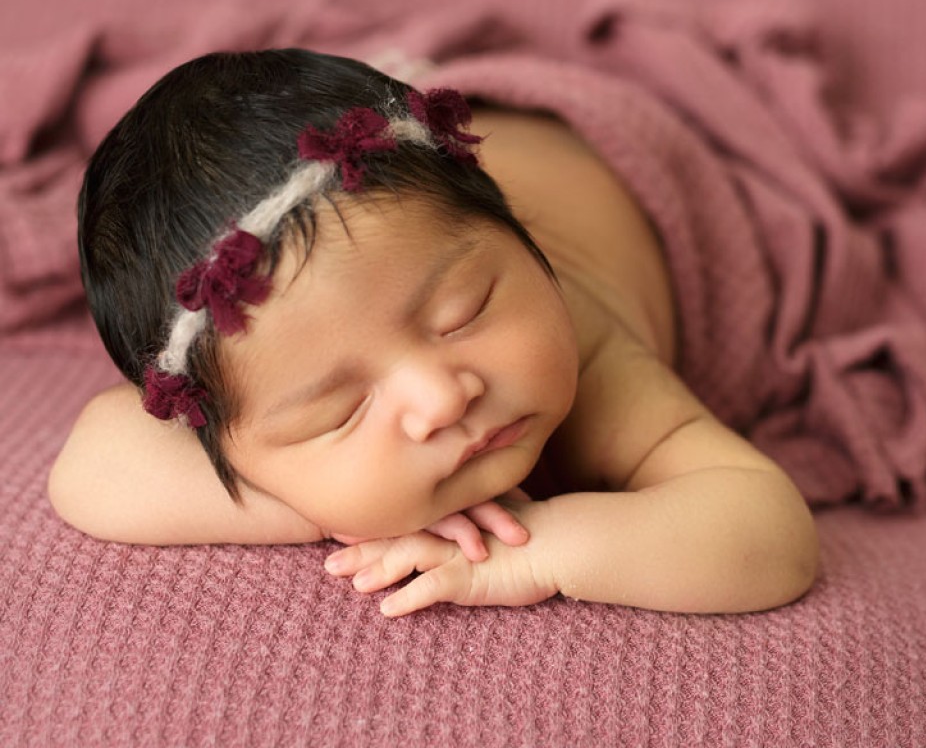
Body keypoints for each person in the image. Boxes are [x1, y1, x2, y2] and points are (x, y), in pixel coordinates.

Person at [48, 48, 818, 617]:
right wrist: (335, 503)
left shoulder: (587, 349)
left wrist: (547, 544)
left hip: (617, 158)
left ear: (521, 246)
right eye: (339, 411)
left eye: (466, 312)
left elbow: (768, 531)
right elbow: (90, 467)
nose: (443, 398)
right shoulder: (271, 360)